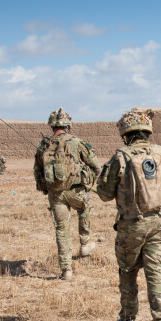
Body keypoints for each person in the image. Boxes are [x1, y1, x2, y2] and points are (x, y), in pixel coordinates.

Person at [96, 109, 161, 321]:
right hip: (159, 223)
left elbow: (104, 194)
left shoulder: (120, 157)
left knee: (128, 272)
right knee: (156, 273)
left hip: (131, 225)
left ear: (126, 134)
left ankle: (128, 320)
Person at [34, 108, 101, 280]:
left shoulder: (44, 145)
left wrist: (45, 189)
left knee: (62, 231)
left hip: (55, 195)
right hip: (76, 192)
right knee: (85, 208)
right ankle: (85, 243)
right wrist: (89, 180)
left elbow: (37, 171)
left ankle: (66, 270)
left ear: (52, 126)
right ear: (68, 125)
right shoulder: (76, 142)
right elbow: (96, 165)